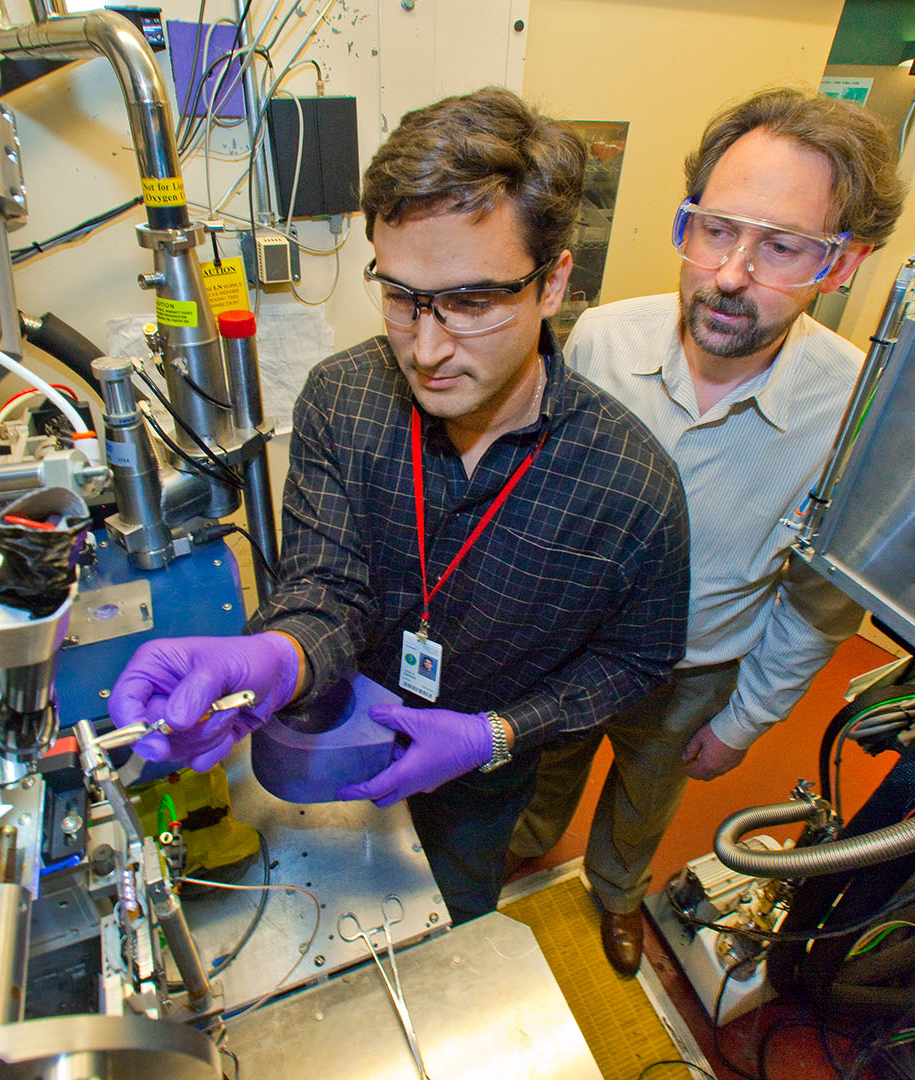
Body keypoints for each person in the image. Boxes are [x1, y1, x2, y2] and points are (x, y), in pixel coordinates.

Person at [109, 86, 690, 924]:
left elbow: (636, 663)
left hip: (479, 781)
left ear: (554, 282)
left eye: (472, 301)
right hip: (336, 724)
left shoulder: (632, 489)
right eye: (402, 296)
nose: (427, 348)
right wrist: (276, 658)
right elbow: (326, 585)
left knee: (445, 927)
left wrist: (496, 733)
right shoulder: (343, 398)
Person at [508, 87, 906, 974]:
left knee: (645, 796)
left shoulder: (853, 418)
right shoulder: (602, 341)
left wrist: (745, 722)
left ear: (841, 267)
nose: (730, 274)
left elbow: (820, 603)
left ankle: (616, 894)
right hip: (572, 643)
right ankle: (523, 848)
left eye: (782, 248)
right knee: (547, 765)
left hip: (697, 669)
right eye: (716, 230)